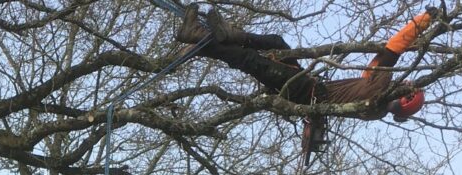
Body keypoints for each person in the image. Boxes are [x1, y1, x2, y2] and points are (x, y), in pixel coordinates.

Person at [176, 4, 438, 122]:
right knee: (278, 44)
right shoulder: (374, 105)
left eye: (407, 88)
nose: (405, 81)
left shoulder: (381, 91)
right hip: (307, 88)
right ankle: (227, 35)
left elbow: (394, 47)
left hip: (304, 90)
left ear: (404, 98)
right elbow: (381, 59)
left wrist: (425, 19)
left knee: (248, 59)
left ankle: (198, 37)